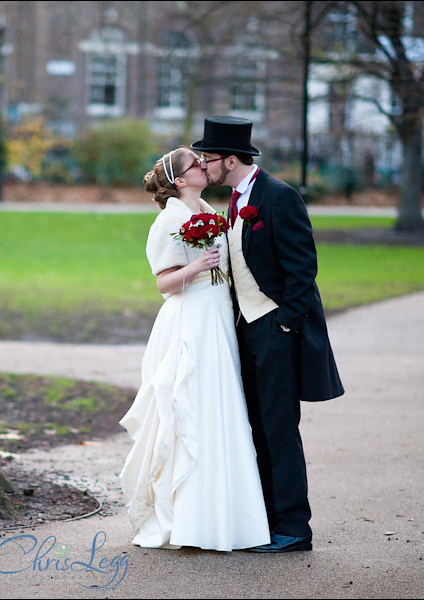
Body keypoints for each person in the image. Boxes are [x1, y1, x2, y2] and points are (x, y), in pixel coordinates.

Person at [192, 116, 345, 553]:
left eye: (209, 158)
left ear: (232, 160)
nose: (205, 165)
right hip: (246, 331)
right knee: (254, 429)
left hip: (275, 330)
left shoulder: (279, 197)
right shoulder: (234, 202)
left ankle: (294, 528)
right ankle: (264, 522)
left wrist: (284, 324)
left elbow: (303, 269)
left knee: (279, 430)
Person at [118, 147, 271, 552]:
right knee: (193, 410)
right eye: (195, 164)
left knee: (220, 409)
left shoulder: (205, 206)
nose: (204, 165)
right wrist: (197, 267)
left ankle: (227, 517)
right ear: (179, 180)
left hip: (217, 316)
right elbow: (165, 283)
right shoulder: (169, 219)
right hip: (192, 322)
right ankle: (188, 518)